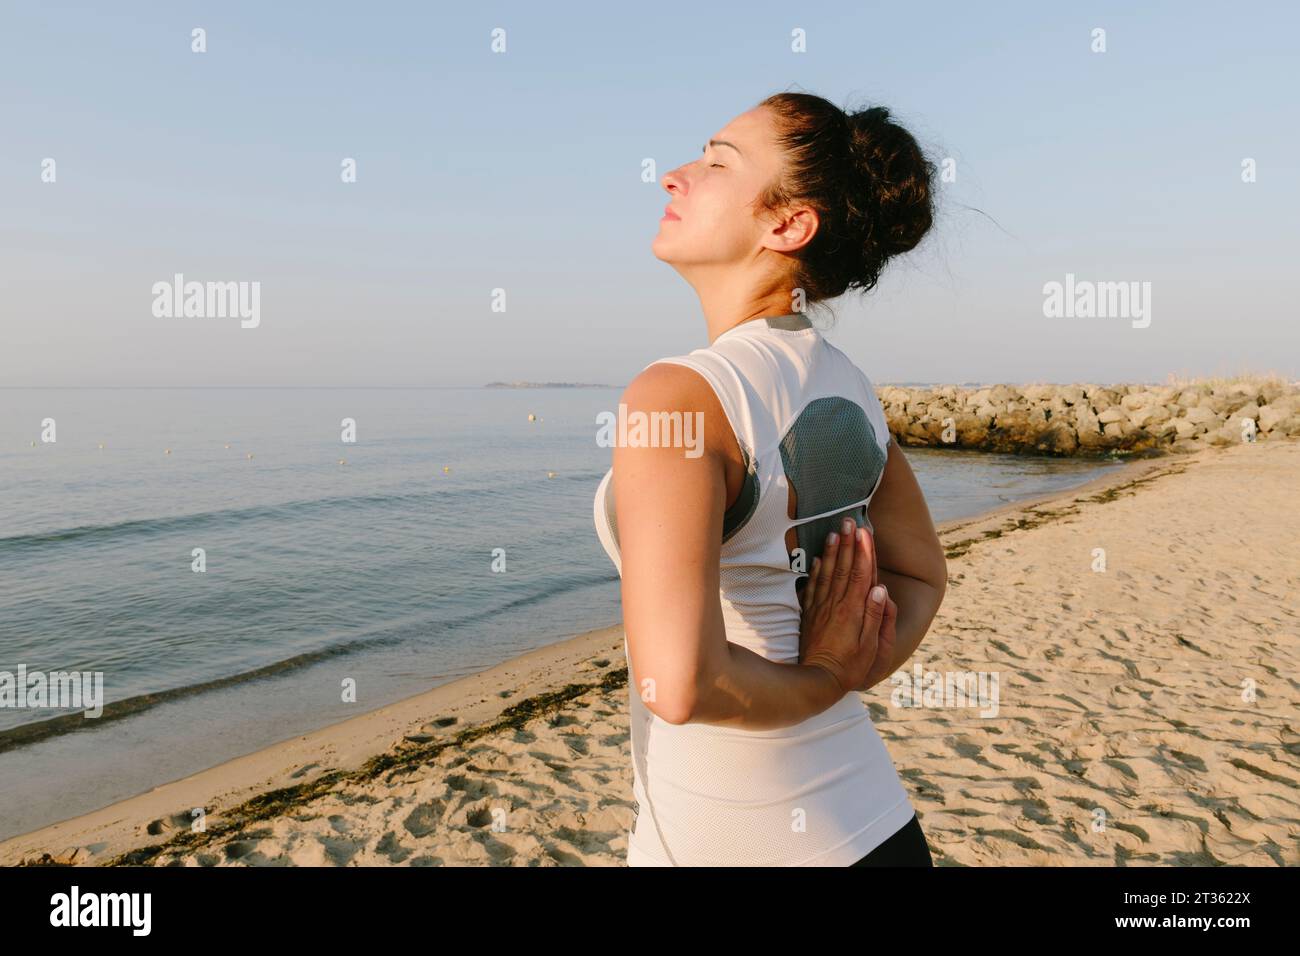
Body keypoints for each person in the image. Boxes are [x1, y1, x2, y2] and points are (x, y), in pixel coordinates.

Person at [592, 91, 947, 866]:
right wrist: (856, 663)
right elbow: (920, 574)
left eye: (717, 162)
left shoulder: (675, 396)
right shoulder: (848, 384)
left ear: (788, 225)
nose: (674, 176)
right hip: (876, 822)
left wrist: (825, 675)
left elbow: (678, 686)